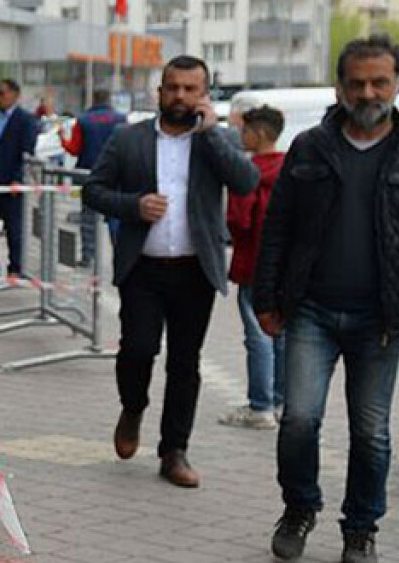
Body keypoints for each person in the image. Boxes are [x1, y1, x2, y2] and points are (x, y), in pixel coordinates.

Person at [254, 35, 399, 563]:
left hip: (381, 318)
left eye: (379, 82)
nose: (367, 92)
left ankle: (361, 529)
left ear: (398, 84)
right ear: (339, 86)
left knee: (371, 431)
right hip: (312, 311)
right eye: (356, 82)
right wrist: (267, 297)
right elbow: (277, 227)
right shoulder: (310, 147)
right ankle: (298, 510)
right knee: (298, 418)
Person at [83, 55, 259, 488]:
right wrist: (133, 206)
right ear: (159, 92)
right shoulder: (130, 140)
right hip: (143, 268)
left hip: (194, 270)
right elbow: (93, 190)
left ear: (204, 95)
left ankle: (174, 451)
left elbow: (246, 182)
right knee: (138, 351)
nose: (180, 96)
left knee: (185, 363)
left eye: (190, 89)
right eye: (173, 87)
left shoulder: (217, 141)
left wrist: (213, 132)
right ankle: (133, 406)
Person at [219, 105, 287, 430]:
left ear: (258, 134)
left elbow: (239, 221)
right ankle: (280, 401)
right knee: (282, 333)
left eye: (244, 131)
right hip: (285, 267)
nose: (240, 137)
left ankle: (259, 406)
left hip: (253, 263)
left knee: (257, 334)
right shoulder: (291, 168)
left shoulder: (247, 173)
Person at [0, 79, 39, 277]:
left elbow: (27, 153)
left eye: (2, 93)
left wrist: (18, 178)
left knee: (13, 228)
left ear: (14, 95)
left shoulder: (25, 120)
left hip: (10, 184)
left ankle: (15, 267)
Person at [61, 89, 126, 266]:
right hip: (115, 175)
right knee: (115, 217)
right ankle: (120, 255)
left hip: (89, 175)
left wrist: (62, 140)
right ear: (108, 99)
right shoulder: (121, 119)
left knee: (89, 218)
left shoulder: (82, 121)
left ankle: (87, 256)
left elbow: (74, 149)